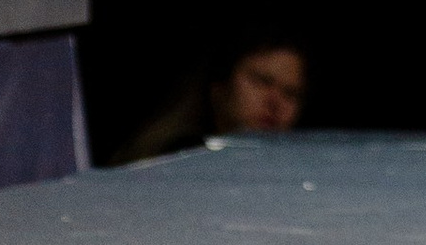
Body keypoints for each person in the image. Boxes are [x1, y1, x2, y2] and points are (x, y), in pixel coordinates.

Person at [118, 29, 308, 163]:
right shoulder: (167, 160)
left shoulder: (294, 173)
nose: (275, 102)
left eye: (291, 94)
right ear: (220, 85)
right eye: (261, 81)